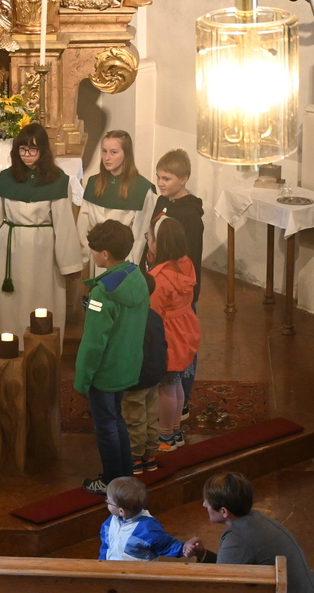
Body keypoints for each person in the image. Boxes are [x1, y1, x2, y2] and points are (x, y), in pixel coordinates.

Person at [0, 122, 82, 343]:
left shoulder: (57, 180)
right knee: (11, 305)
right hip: (12, 249)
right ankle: (9, 353)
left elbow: (65, 226)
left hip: (44, 254)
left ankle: (42, 353)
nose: (27, 155)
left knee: (43, 301)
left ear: (43, 151)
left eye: (33, 150)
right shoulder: (7, 178)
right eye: (22, 149)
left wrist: (70, 265)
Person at [184, 473, 314, 593]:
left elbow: (218, 588)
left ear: (223, 511)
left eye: (207, 501)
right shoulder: (257, 520)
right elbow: (229, 571)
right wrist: (203, 554)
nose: (204, 504)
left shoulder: (238, 538)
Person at [74, 220, 149, 494]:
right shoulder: (136, 276)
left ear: (105, 253)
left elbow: (93, 344)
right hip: (127, 363)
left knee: (106, 426)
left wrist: (83, 379)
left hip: (104, 372)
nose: (92, 253)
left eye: (94, 249)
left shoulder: (102, 293)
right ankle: (125, 477)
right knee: (117, 420)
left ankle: (110, 481)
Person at [152, 149, 204, 421]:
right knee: (165, 345)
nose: (161, 183)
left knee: (182, 347)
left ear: (184, 179)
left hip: (181, 288)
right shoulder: (162, 201)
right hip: (160, 280)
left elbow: (190, 255)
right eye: (159, 177)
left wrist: (186, 289)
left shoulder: (190, 216)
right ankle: (166, 395)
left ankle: (183, 398)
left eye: (168, 178)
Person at [146, 217, 200, 452]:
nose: (148, 241)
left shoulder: (158, 277)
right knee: (176, 383)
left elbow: (153, 311)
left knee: (166, 386)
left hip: (168, 336)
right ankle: (176, 430)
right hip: (185, 330)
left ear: (159, 244)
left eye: (150, 238)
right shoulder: (186, 263)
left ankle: (166, 436)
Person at [77, 130, 156, 271]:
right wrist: (81, 262)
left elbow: (138, 238)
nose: (107, 157)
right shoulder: (94, 183)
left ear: (126, 154)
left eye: (113, 152)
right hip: (97, 260)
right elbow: (83, 226)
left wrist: (128, 270)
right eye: (104, 151)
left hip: (122, 263)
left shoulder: (142, 189)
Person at [121, 272, 167, 474]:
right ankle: (150, 455)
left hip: (135, 379)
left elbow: (127, 350)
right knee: (151, 416)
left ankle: (135, 458)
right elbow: (161, 345)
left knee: (135, 419)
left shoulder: (130, 319)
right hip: (154, 375)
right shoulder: (154, 316)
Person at [100, 476, 184, 561]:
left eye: (108, 502)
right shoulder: (110, 522)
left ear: (121, 511)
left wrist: (183, 549)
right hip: (113, 570)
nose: (106, 502)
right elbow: (106, 547)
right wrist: (102, 563)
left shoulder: (147, 528)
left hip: (139, 572)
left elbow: (167, 545)